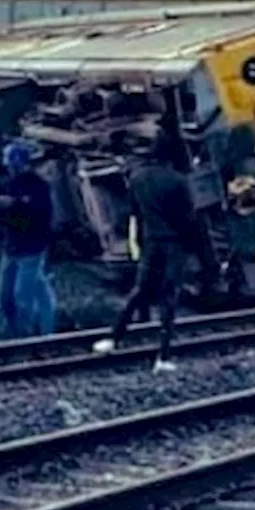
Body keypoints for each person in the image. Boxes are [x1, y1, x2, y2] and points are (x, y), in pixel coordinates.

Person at [93, 132, 199, 372]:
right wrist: (191, 247)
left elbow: (135, 215)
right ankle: (163, 356)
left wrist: (137, 245)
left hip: (150, 242)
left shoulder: (138, 179)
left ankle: (113, 338)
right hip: (173, 245)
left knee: (139, 291)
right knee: (168, 299)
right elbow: (188, 219)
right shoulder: (178, 181)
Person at [0, 141, 56, 338]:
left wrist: (15, 206)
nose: (8, 168)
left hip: (32, 248)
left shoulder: (38, 186)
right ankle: (33, 329)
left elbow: (40, 215)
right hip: (12, 247)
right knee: (4, 297)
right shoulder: (10, 184)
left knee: (23, 296)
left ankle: (26, 337)